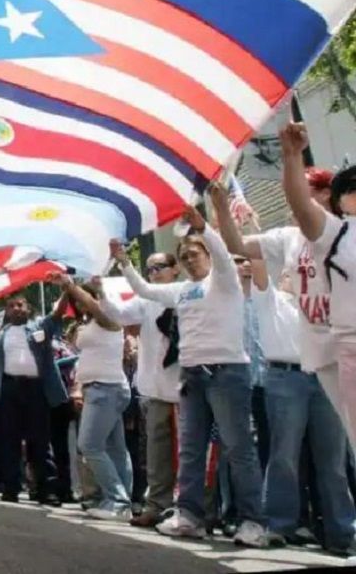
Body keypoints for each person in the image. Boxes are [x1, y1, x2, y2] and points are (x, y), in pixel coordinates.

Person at [113, 195, 270, 548]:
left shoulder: (224, 280)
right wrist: (123, 262)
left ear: (209, 255)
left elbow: (222, 252)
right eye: (183, 256)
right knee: (191, 450)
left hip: (227, 374)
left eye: (194, 253)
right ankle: (190, 516)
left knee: (238, 448)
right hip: (191, 377)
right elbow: (144, 289)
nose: (187, 259)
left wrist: (203, 228)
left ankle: (253, 522)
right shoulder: (181, 291)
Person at [217, 163, 351, 444]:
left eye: (301, 188)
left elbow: (304, 209)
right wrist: (220, 206)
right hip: (321, 352)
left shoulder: (343, 230)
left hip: (348, 341)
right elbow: (236, 245)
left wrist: (291, 154)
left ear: (326, 193)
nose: (290, 196)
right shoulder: (288, 238)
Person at [249, 258, 356, 554]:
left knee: (333, 460)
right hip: (286, 377)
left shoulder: (324, 303)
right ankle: (278, 525)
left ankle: (343, 532)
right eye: (292, 274)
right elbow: (257, 260)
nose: (300, 278)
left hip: (325, 376)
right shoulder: (271, 299)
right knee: (284, 455)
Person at [99, 250, 183, 528]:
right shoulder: (145, 300)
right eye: (149, 269)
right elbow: (119, 314)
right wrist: (100, 292)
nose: (154, 273)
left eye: (160, 267)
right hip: (156, 388)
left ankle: (195, 509)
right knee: (157, 454)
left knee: (191, 453)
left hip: (187, 387)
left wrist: (125, 263)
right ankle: (157, 505)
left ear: (175, 269)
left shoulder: (187, 293)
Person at [55, 274, 132, 521]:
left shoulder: (111, 317)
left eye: (85, 298)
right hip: (98, 389)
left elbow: (93, 305)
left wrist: (71, 286)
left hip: (107, 389)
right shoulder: (88, 324)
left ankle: (118, 501)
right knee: (115, 449)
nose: (80, 303)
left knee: (89, 445)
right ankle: (122, 502)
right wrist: (68, 292)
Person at [0, 290, 69, 506]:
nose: (16, 309)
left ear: (27, 308)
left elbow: (58, 314)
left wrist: (67, 290)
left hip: (36, 389)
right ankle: (11, 487)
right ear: (7, 310)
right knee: (9, 440)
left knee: (40, 441)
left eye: (20, 305)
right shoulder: (0, 336)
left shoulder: (39, 327)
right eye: (12, 305)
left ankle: (46, 489)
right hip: (9, 388)